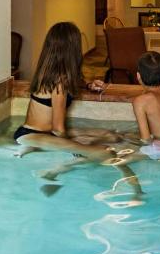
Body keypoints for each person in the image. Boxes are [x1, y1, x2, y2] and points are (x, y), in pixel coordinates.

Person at [13, 21, 134, 188]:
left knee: (110, 135)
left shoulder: (51, 71)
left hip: (43, 133)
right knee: (104, 152)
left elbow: (76, 81)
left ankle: (45, 161)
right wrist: (76, 149)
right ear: (72, 49)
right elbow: (58, 129)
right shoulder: (59, 82)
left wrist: (88, 85)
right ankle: (134, 190)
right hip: (32, 136)